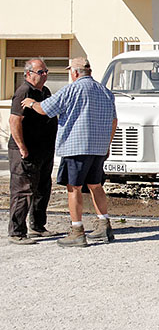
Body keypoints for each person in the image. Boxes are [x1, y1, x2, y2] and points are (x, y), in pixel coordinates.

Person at [22, 57, 117, 248]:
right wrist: (107, 144)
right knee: (96, 185)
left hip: (76, 146)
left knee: (73, 188)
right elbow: (114, 121)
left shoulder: (72, 89)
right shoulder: (105, 91)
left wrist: (31, 103)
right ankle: (104, 225)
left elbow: (45, 109)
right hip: (98, 147)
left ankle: (77, 230)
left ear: (75, 72)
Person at [7, 59, 58, 245]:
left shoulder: (44, 92)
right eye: (40, 72)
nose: (44, 75)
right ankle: (17, 232)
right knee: (23, 190)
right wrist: (22, 147)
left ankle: (37, 226)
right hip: (26, 150)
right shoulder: (24, 92)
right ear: (28, 73)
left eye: (46, 71)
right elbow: (14, 121)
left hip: (43, 150)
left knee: (42, 188)